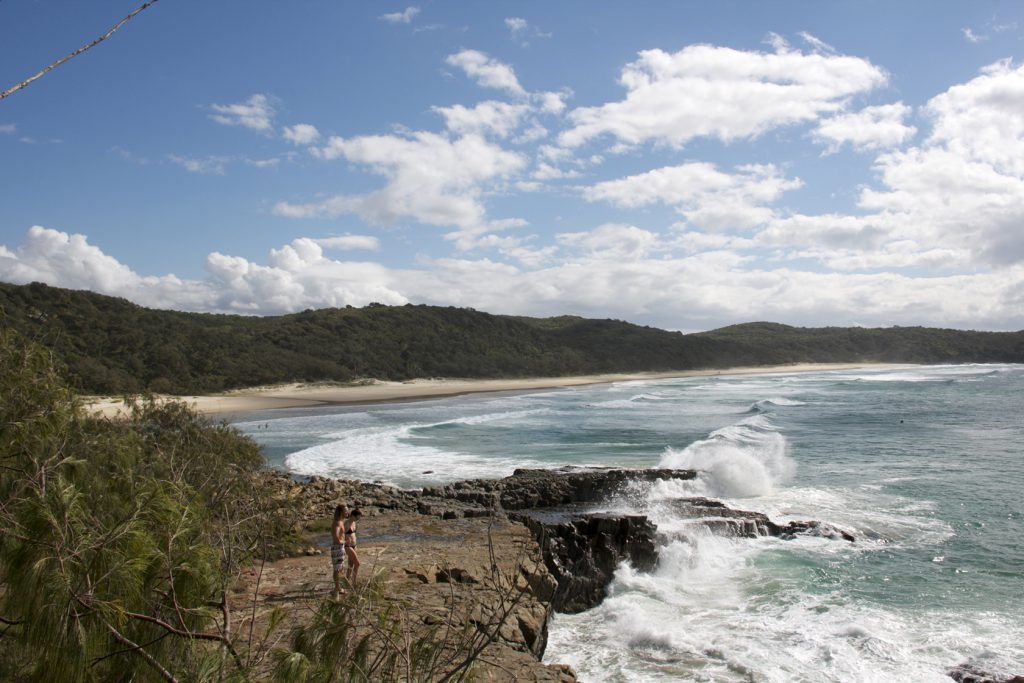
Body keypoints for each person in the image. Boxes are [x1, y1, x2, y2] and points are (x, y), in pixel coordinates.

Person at [330, 504, 349, 597]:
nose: (347, 512)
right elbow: (336, 537)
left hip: (339, 547)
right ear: (341, 512)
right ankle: (337, 588)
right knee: (337, 569)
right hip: (337, 547)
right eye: (345, 511)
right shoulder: (337, 522)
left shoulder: (340, 521)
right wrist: (344, 541)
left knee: (339, 568)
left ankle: (336, 588)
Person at [343, 508, 362, 587]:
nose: (358, 519)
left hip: (354, 545)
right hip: (348, 546)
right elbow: (339, 535)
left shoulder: (354, 523)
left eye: (359, 518)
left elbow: (353, 534)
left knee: (350, 565)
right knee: (357, 564)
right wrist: (344, 541)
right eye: (357, 517)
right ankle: (354, 583)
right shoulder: (346, 524)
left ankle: (346, 582)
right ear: (352, 515)